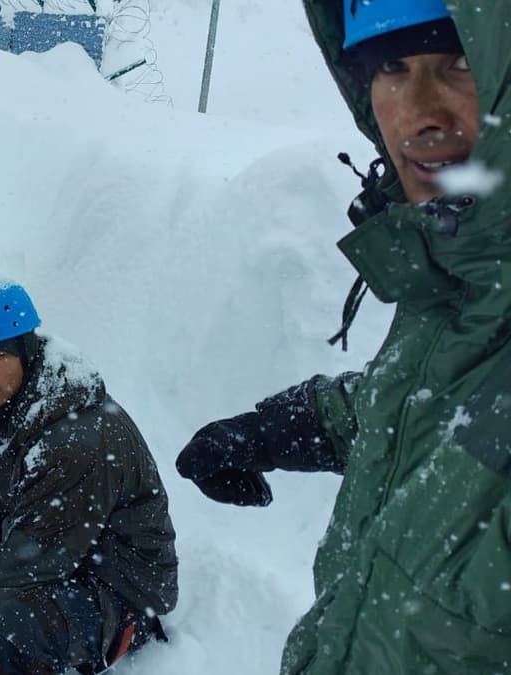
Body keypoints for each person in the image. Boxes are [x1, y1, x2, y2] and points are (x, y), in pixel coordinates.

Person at [175, 1, 511, 672]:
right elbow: (442, 415)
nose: (418, 112)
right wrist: (279, 426)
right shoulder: (460, 279)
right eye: (390, 65)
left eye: (462, 63)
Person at [0, 279, 178, 674]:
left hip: (119, 587)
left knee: (2, 637)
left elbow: (29, 568)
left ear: (25, 351)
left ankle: (111, 638)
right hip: (59, 553)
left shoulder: (72, 442)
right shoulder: (18, 403)